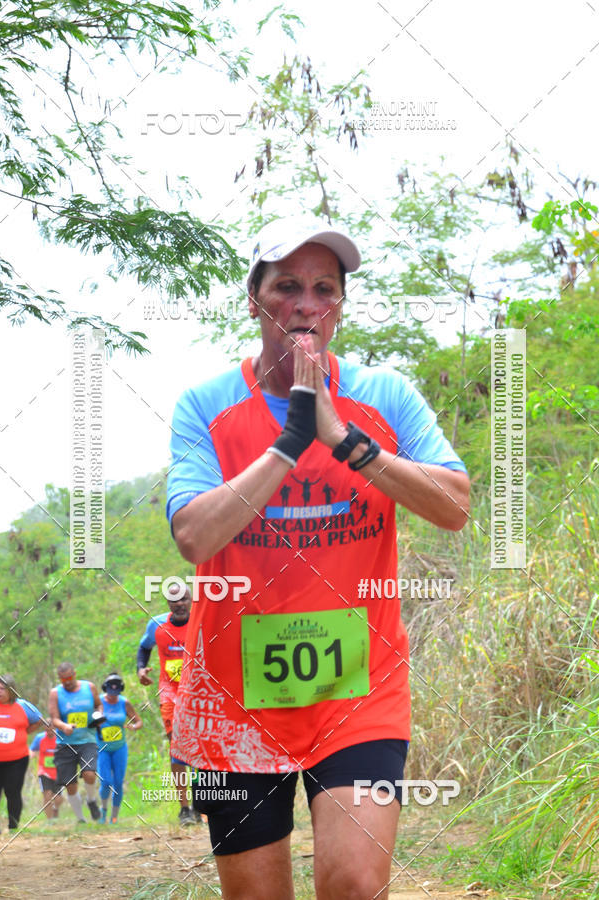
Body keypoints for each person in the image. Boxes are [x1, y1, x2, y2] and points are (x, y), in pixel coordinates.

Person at [166, 216, 471, 899]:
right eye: (287, 286)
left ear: (339, 307)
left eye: (324, 289)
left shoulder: (385, 397)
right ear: (255, 299)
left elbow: (453, 505)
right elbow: (193, 535)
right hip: (234, 703)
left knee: (356, 884)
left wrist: (341, 436)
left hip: (358, 695)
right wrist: (288, 442)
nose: (306, 304)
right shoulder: (206, 407)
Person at [137, 582, 195, 825]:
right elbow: (143, 647)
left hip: (199, 693)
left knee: (202, 747)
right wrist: (141, 669)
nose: (179, 604)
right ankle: (185, 809)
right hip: (170, 692)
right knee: (177, 746)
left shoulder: (202, 621)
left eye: (183, 599)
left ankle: (203, 803)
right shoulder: (158, 625)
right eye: (174, 600)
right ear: (168, 603)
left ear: (191, 599)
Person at [48, 662, 102, 823]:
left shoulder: (89, 687)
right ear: (60, 679)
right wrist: (64, 726)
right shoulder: (55, 693)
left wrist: (99, 715)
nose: (67, 682)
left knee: (89, 773)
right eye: (63, 679)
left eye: (70, 677)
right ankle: (81, 819)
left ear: (75, 674)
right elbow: (54, 718)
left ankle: (91, 800)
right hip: (65, 744)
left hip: (87, 740)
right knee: (70, 785)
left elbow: (99, 705)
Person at [96, 673, 142, 824]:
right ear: (105, 688)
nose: (113, 691)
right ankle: (103, 811)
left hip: (119, 748)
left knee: (117, 782)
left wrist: (133, 726)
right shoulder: (99, 702)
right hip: (102, 748)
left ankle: (114, 817)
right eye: (110, 687)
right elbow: (91, 720)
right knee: (106, 782)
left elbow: (138, 721)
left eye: (116, 687)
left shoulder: (124, 703)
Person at [0, 673, 43, 831]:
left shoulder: (23, 705)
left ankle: (13, 826)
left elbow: (39, 719)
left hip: (17, 760)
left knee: (13, 792)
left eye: (2, 688)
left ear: (11, 690)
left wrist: (24, 731)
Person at [30, 726, 64, 820]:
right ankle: (49, 820)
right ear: (45, 729)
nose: (49, 732)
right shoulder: (39, 737)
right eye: (47, 730)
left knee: (58, 798)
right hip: (44, 771)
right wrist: (29, 756)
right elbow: (32, 750)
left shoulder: (61, 737)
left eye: (52, 730)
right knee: (47, 795)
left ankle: (55, 809)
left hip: (58, 771)